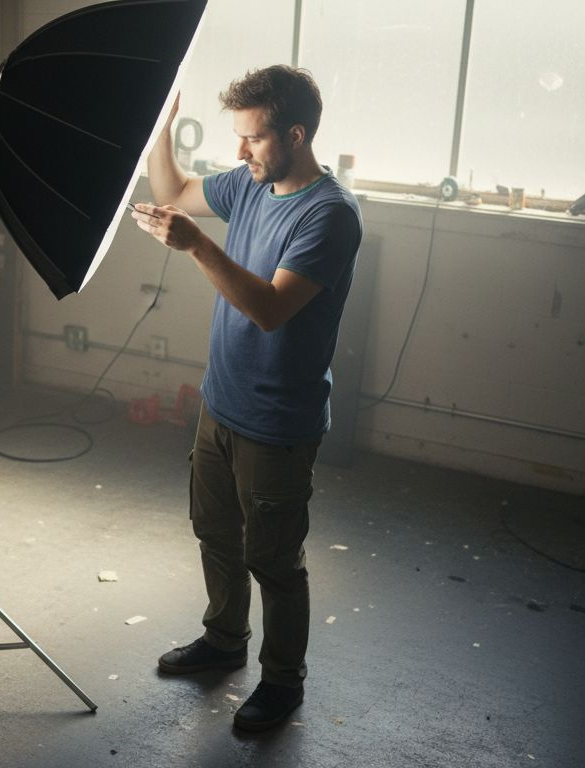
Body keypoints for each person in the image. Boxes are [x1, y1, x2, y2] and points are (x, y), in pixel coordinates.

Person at [131, 66, 362, 731]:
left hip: (277, 423)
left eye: (252, 139)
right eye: (237, 137)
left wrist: (196, 244)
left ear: (294, 134)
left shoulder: (330, 215)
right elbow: (172, 186)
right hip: (221, 401)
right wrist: (162, 125)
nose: (239, 153)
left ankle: (282, 681)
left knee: (275, 561)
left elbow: (268, 308)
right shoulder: (252, 183)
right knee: (216, 533)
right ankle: (224, 640)